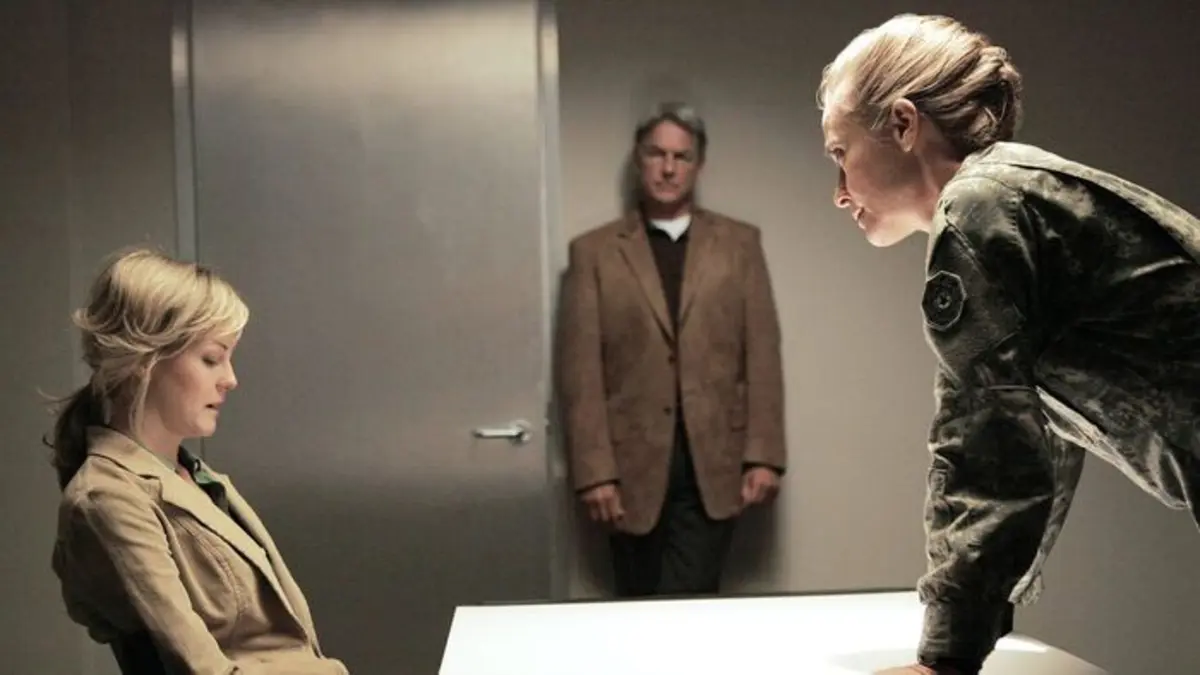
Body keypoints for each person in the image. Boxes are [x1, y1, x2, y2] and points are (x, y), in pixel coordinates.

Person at [817, 13, 1200, 675]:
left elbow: (988, 446)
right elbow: (1037, 439)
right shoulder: (1011, 192)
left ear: (904, 124)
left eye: (839, 153)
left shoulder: (980, 208)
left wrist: (948, 655)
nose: (839, 193)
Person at [47, 248, 349, 674]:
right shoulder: (108, 498)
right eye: (211, 359)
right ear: (144, 361)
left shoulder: (195, 478)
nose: (230, 379)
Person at [557, 101, 787, 597]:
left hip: (715, 464)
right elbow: (580, 373)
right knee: (635, 605)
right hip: (628, 470)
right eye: (656, 153)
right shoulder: (594, 253)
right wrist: (594, 473)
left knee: (694, 603)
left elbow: (763, 353)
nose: (668, 168)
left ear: (698, 164)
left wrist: (764, 456)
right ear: (638, 158)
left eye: (681, 156)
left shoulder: (739, 245)